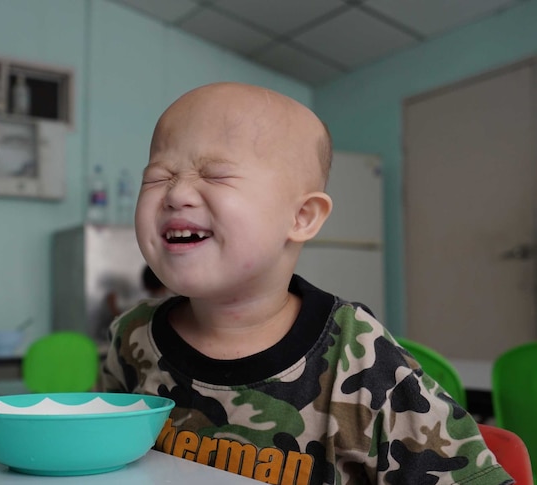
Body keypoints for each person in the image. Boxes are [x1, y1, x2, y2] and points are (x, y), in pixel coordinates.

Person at [100, 82, 511, 484]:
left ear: (302, 217)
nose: (177, 194)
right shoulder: (130, 337)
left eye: (217, 175)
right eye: (157, 177)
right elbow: (102, 460)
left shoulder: (362, 356)